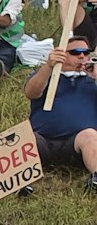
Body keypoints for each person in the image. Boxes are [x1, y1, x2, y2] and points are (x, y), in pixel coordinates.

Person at [26, 42, 97, 189]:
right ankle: (20, 181)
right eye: (75, 52)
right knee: (23, 137)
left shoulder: (91, 80)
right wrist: (48, 66)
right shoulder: (47, 76)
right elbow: (31, 92)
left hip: (77, 143)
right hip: (42, 140)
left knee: (90, 136)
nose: (82, 56)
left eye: (86, 52)